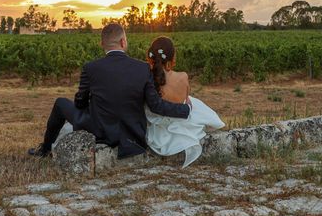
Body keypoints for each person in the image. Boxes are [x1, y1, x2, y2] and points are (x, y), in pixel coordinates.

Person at [28, 23, 191, 158]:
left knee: (60, 103)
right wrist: (185, 109)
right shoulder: (142, 68)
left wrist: (87, 109)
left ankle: (45, 149)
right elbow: (156, 105)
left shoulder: (91, 68)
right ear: (123, 42)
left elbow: (80, 101)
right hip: (132, 135)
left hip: (99, 132)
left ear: (102, 44)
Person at [144, 36, 225, 167]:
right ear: (172, 57)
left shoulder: (147, 77)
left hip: (158, 128)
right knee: (192, 102)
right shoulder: (183, 76)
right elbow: (185, 99)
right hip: (180, 117)